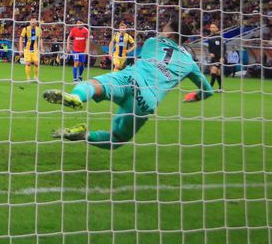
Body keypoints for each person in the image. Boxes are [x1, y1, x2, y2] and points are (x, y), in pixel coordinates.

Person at [43, 15, 213, 148]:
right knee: (116, 139)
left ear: (169, 34)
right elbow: (208, 91)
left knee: (94, 84)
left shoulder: (152, 42)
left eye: (163, 29)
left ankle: (77, 97)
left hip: (130, 78)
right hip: (147, 100)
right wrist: (196, 96)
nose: (161, 31)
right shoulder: (190, 63)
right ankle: (84, 136)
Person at [205, 24, 224, 91]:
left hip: (219, 58)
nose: (212, 28)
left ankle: (210, 88)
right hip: (213, 58)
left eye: (214, 27)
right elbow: (209, 47)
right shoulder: (210, 38)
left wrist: (222, 57)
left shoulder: (220, 37)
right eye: (211, 27)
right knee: (217, 72)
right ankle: (221, 88)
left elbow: (224, 47)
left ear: (217, 28)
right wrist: (210, 53)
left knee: (213, 70)